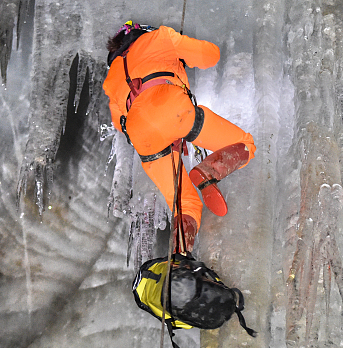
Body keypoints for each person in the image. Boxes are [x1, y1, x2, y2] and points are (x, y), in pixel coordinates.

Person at [103, 21, 255, 251]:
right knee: (245, 145)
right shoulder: (159, 38)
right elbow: (210, 56)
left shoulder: (111, 79)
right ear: (140, 31)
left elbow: (118, 123)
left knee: (184, 205)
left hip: (142, 137)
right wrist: (181, 54)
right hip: (172, 108)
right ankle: (208, 172)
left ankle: (179, 258)